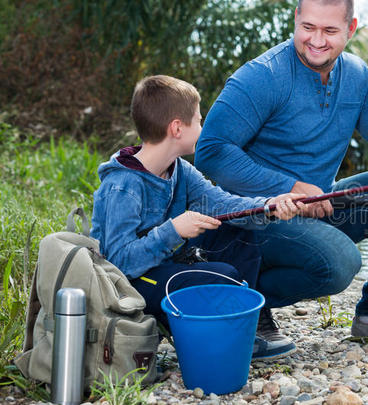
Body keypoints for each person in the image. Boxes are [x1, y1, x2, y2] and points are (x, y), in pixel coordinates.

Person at [195, 0, 368, 353]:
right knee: (340, 262)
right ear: (295, 19)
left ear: (351, 28)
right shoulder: (261, 76)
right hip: (253, 218)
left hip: (318, 208)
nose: (317, 41)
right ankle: (244, 300)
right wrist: (289, 188)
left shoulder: (357, 75)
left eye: (329, 31)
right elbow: (212, 151)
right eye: (308, 27)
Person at [91, 75, 305, 360]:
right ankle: (219, 335)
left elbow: (225, 205)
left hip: (164, 267)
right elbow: (119, 263)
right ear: (177, 128)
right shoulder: (124, 185)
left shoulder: (180, 170)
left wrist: (269, 205)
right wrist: (175, 230)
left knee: (237, 231)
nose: (202, 128)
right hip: (130, 285)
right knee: (223, 277)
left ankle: (241, 330)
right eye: (199, 120)